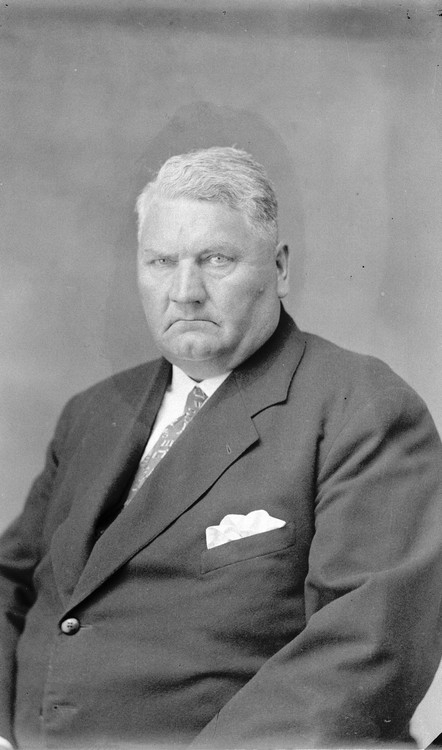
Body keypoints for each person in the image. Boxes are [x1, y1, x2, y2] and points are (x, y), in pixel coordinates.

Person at [0, 146, 441, 750]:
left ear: (279, 269)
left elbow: (365, 652)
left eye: (216, 259)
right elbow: (11, 583)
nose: (185, 292)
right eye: (161, 261)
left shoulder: (359, 405)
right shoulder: (93, 412)